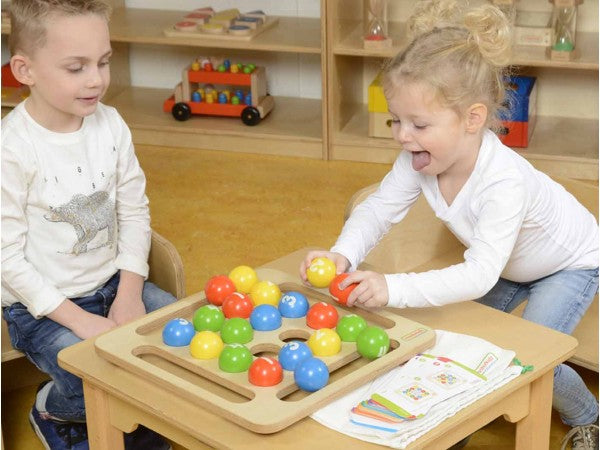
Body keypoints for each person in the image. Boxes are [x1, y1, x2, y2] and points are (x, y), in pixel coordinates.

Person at [300, 1, 599, 448]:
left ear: (472, 119)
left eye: (418, 123)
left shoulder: (503, 182)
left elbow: (478, 275)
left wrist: (391, 287)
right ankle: (448, 424)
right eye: (396, 120)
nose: (402, 136)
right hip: (504, 262)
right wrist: (342, 253)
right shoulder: (418, 156)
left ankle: (589, 416)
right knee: (455, 339)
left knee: (530, 357)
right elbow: (378, 208)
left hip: (567, 264)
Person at [2, 1, 175, 448]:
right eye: (76, 67)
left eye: (104, 62)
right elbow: (6, 259)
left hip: (112, 283)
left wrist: (131, 293)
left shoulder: (111, 125)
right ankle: (53, 407)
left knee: (179, 341)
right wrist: (80, 321)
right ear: (25, 70)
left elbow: (134, 211)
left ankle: (129, 419)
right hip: (40, 306)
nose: (96, 79)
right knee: (89, 371)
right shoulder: (12, 149)